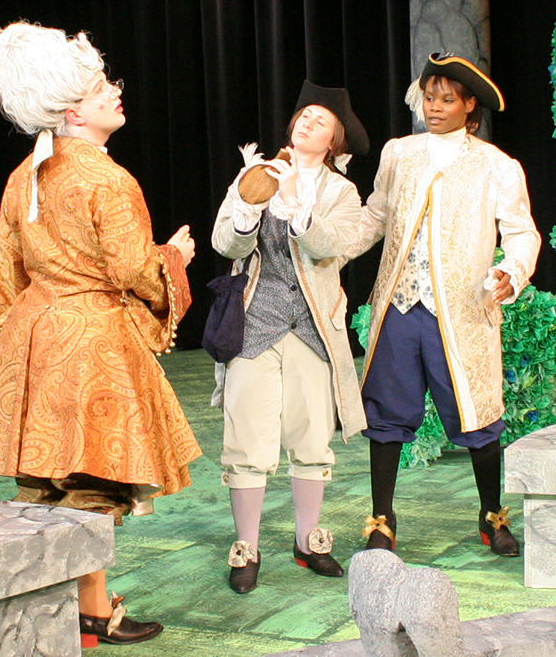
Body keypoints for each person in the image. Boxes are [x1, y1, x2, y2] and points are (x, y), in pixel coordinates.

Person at [0, 21, 199, 646]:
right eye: (100, 86)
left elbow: (5, 272)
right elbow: (132, 268)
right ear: (69, 109)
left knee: (45, 485)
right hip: (91, 345)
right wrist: (173, 259)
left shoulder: (22, 176)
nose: (116, 90)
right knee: (91, 487)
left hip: (35, 339)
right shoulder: (109, 180)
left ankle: (66, 610)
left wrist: (10, 329)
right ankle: (79, 615)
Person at [355, 53, 536, 558]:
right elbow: (377, 215)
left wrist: (510, 272)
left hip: (459, 309)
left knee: (476, 416)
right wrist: (331, 242)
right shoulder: (399, 152)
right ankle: (382, 521)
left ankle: (491, 514)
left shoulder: (497, 165)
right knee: (386, 415)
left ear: (468, 105)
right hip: (400, 304)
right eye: (429, 98)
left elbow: (522, 233)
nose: (434, 108)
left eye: (446, 99)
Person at [210, 82, 374, 593]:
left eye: (320, 121)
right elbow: (223, 242)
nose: (307, 123)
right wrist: (247, 209)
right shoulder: (254, 174)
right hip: (255, 324)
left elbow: (336, 248)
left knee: (310, 440)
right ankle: (247, 547)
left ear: (333, 141)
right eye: (304, 114)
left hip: (312, 328)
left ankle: (308, 542)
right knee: (248, 441)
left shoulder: (341, 192)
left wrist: (297, 208)